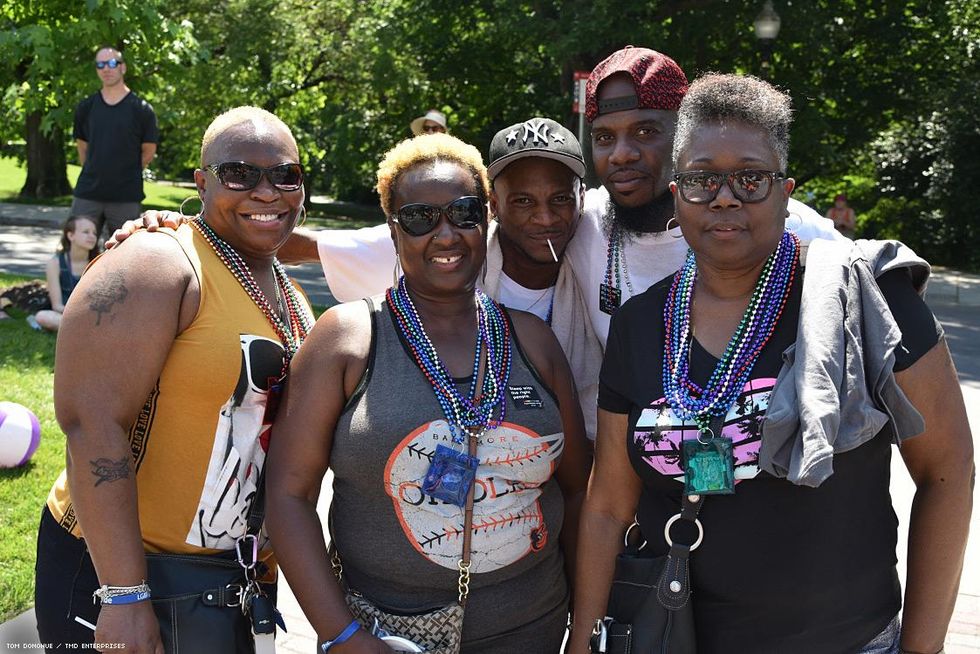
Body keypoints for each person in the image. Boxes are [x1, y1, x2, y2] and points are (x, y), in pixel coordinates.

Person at [569, 74, 973, 654]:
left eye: (750, 178)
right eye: (703, 179)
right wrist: (585, 640)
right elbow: (609, 504)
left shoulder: (867, 300)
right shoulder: (639, 324)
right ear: (677, 193)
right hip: (671, 637)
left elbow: (948, 470)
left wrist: (923, 647)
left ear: (786, 191)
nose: (725, 197)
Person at [265, 133, 591, 653]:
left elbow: (578, 492)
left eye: (464, 214)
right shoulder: (347, 339)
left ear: (486, 221)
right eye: (420, 218)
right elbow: (287, 496)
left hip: (533, 628)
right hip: (385, 637)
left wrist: (584, 628)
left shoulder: (533, 340)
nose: (446, 234)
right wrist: (342, 635)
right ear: (393, 232)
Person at [111, 117, 605, 439]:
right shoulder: (426, 240)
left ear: (583, 198)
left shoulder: (600, 238)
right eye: (522, 200)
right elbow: (292, 238)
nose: (544, 216)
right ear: (495, 205)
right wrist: (186, 229)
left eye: (560, 198)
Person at [35, 106, 313, 652]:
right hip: (120, 575)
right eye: (241, 174)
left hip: (227, 581)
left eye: (285, 175)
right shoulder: (158, 263)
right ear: (202, 183)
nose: (267, 191)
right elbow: (92, 423)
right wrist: (123, 593)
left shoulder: (292, 295)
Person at [565, 46, 846, 346]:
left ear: (685, 137)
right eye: (604, 138)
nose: (621, 155)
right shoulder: (580, 224)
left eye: (645, 132)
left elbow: (860, 273)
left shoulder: (769, 222)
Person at [72, 46, 159, 240]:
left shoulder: (142, 110)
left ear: (123, 68)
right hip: (87, 193)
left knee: (122, 255)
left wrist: (124, 174)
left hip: (125, 196)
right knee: (76, 250)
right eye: (100, 64)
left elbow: (148, 152)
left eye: (112, 63)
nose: (106, 68)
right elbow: (82, 149)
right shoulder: (86, 107)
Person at [33, 215, 100, 332]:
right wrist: (79, 316)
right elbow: (57, 306)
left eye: (94, 233)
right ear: (70, 235)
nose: (92, 236)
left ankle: (79, 331)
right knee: (42, 316)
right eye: (86, 232)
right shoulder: (55, 263)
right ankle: (85, 331)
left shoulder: (99, 263)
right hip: (66, 315)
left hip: (95, 315)